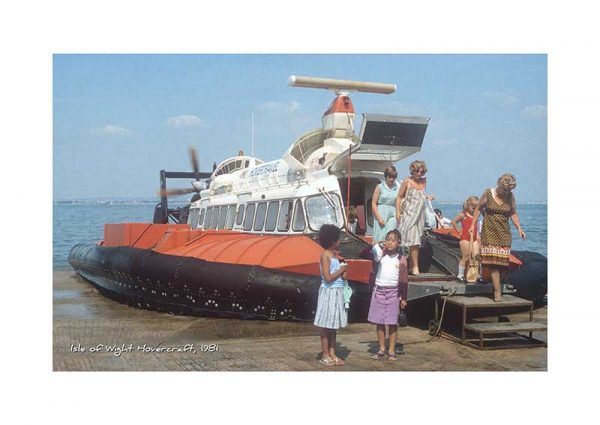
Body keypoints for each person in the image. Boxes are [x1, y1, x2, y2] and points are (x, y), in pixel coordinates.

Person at [471, 173, 526, 302]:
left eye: (510, 190)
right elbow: (479, 208)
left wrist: (519, 228)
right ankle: (497, 291)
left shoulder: (510, 196)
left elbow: (512, 213)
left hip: (504, 230)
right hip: (489, 229)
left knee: (503, 263)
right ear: (500, 185)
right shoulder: (488, 192)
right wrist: (473, 224)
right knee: (493, 262)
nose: (507, 192)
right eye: (505, 190)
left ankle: (495, 284)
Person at [368, 229, 408, 361]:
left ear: (398, 243)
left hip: (393, 293)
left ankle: (391, 349)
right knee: (379, 322)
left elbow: (404, 280)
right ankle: (381, 348)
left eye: (393, 240)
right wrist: (376, 244)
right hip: (379, 291)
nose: (390, 243)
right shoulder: (380, 255)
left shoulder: (402, 260)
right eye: (388, 239)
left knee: (392, 323)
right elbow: (364, 253)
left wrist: (404, 298)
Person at [314, 224, 349, 366]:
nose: (339, 242)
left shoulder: (335, 256)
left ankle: (333, 353)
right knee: (326, 325)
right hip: (328, 292)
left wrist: (344, 270)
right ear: (332, 241)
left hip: (337, 292)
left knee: (333, 325)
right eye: (338, 239)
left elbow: (343, 277)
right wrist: (341, 271)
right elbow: (327, 277)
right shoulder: (325, 256)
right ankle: (325, 354)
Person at [395, 160, 435, 275]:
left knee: (416, 240)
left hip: (420, 215)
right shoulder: (407, 181)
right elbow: (399, 197)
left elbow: (420, 196)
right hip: (409, 214)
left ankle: (412, 266)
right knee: (412, 240)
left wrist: (428, 197)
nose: (419, 173)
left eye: (421, 171)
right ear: (412, 170)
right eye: (417, 171)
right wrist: (398, 212)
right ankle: (414, 266)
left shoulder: (424, 181)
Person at [451, 196, 480, 282]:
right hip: (465, 238)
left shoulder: (475, 216)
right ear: (468, 206)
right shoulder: (463, 215)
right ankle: (460, 275)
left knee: (476, 256)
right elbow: (453, 222)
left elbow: (476, 227)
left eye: (476, 208)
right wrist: (459, 231)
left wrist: (478, 236)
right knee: (466, 257)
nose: (474, 210)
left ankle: (475, 274)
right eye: (472, 207)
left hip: (474, 238)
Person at [371, 165, 400, 244]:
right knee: (380, 236)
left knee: (390, 235)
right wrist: (379, 217)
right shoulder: (380, 187)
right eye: (390, 177)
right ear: (386, 176)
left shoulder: (397, 188)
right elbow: (373, 203)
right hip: (382, 211)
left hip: (392, 212)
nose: (392, 179)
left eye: (393, 177)